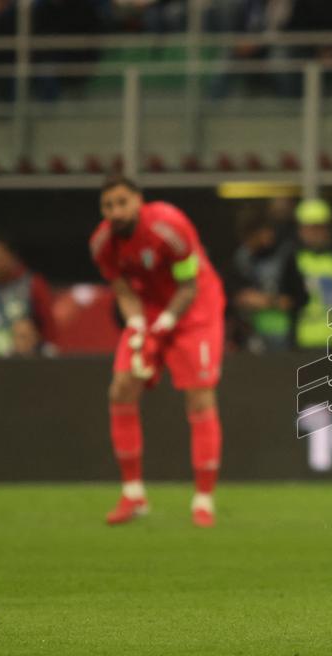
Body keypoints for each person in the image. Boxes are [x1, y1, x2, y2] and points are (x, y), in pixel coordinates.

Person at [89, 175, 226, 528]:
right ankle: (133, 494)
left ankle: (203, 500)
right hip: (149, 310)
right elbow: (123, 291)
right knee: (121, 389)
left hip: (195, 309)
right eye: (108, 205)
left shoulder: (169, 226)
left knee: (199, 397)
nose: (115, 212)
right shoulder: (102, 243)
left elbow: (189, 285)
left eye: (122, 202)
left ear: (138, 201)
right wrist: (136, 325)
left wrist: (165, 323)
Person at [226, 206, 301, 352]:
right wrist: (242, 298)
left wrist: (271, 301)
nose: (268, 236)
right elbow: (232, 295)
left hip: (281, 334)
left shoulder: (284, 257)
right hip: (247, 334)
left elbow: (299, 297)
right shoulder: (239, 259)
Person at [0, 237, 57, 357]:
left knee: (23, 328)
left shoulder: (31, 285)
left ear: (12, 258)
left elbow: (48, 325)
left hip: (22, 357)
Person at [286, 198, 332, 349]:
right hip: (301, 339)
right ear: (301, 230)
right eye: (311, 228)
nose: (316, 233)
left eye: (320, 228)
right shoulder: (293, 261)